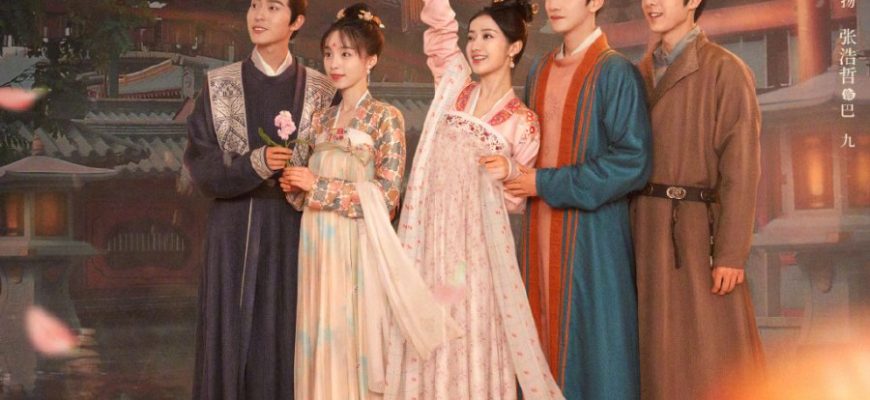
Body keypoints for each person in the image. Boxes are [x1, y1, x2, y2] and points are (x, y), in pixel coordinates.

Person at [384, 0, 562, 399]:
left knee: (471, 336)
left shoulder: (523, 121)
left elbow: (517, 201)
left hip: (477, 258)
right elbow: (440, 29)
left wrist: (510, 171)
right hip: (431, 244)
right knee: (429, 336)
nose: (476, 46)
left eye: (488, 37)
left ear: (514, 47)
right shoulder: (453, 89)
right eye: (472, 37)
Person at [279, 4, 459, 399]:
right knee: (319, 333)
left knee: (352, 337)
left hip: (357, 246)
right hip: (316, 245)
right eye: (329, 53)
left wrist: (316, 185)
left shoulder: (385, 117)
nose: (334, 63)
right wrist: (293, 182)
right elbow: (299, 195)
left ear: (371, 59)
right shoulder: (319, 120)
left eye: (346, 53)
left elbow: (387, 195)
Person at [183, 0, 335, 398]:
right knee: (232, 337)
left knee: (290, 333)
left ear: (297, 21)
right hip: (233, 231)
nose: (259, 15)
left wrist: (308, 180)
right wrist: (255, 163)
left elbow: (338, 166)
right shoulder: (219, 85)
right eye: (254, 5)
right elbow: (200, 163)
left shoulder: (322, 90)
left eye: (273, 6)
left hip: (298, 229)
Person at [504, 0, 652, 398]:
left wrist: (545, 183)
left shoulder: (616, 71)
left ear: (596, 2)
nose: (554, 4)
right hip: (539, 229)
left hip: (593, 237)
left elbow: (632, 162)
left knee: (597, 346)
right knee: (538, 337)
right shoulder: (539, 70)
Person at [632, 0, 764, 398]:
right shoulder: (637, 72)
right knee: (653, 350)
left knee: (708, 350)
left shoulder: (725, 69)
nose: (651, 3)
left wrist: (731, 253)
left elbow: (741, 169)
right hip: (642, 227)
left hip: (695, 230)